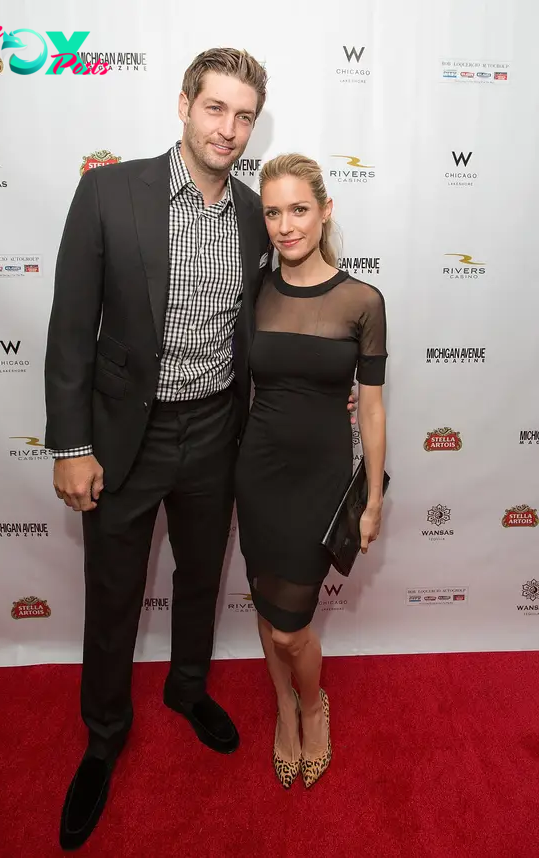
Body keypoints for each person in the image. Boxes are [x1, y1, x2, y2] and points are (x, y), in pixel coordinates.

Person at [45, 49, 358, 848]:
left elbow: (293, 309)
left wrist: (336, 380)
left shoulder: (259, 213)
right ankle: (105, 737)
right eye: (216, 108)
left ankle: (188, 689)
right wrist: (71, 443)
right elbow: (71, 329)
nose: (229, 128)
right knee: (113, 595)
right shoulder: (110, 192)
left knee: (201, 578)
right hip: (125, 437)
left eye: (244, 115)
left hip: (220, 430)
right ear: (184, 105)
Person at [235, 154, 387, 789]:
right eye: (273, 212)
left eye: (299, 209)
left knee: (292, 627)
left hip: (322, 480)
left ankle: (313, 705)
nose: (285, 225)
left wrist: (372, 499)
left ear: (326, 211)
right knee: (269, 618)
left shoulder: (362, 302)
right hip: (258, 473)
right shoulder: (252, 291)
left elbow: (372, 406)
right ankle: (284, 712)